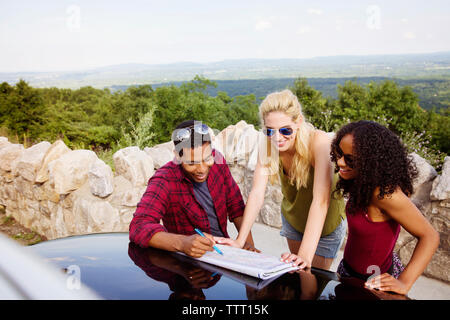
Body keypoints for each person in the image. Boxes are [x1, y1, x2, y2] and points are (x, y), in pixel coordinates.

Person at [216, 89, 346, 270]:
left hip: (324, 227)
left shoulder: (319, 142)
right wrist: (240, 240)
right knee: (296, 281)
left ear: (299, 121)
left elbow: (321, 201)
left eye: (285, 130)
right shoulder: (268, 143)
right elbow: (256, 194)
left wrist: (304, 257)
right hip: (294, 220)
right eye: (270, 131)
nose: (277, 138)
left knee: (312, 283)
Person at [331, 120, 439, 295]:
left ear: (371, 161)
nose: (340, 162)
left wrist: (404, 282)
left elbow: (430, 236)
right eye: (339, 153)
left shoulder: (385, 194)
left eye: (349, 159)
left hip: (373, 282)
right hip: (348, 271)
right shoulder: (362, 183)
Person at [129, 120, 257, 258]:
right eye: (192, 163)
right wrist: (183, 243)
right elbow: (139, 227)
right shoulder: (164, 180)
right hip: (188, 262)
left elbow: (236, 206)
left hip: (225, 253)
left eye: (207, 159)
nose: (201, 169)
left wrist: (247, 244)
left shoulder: (218, 160)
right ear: (178, 156)